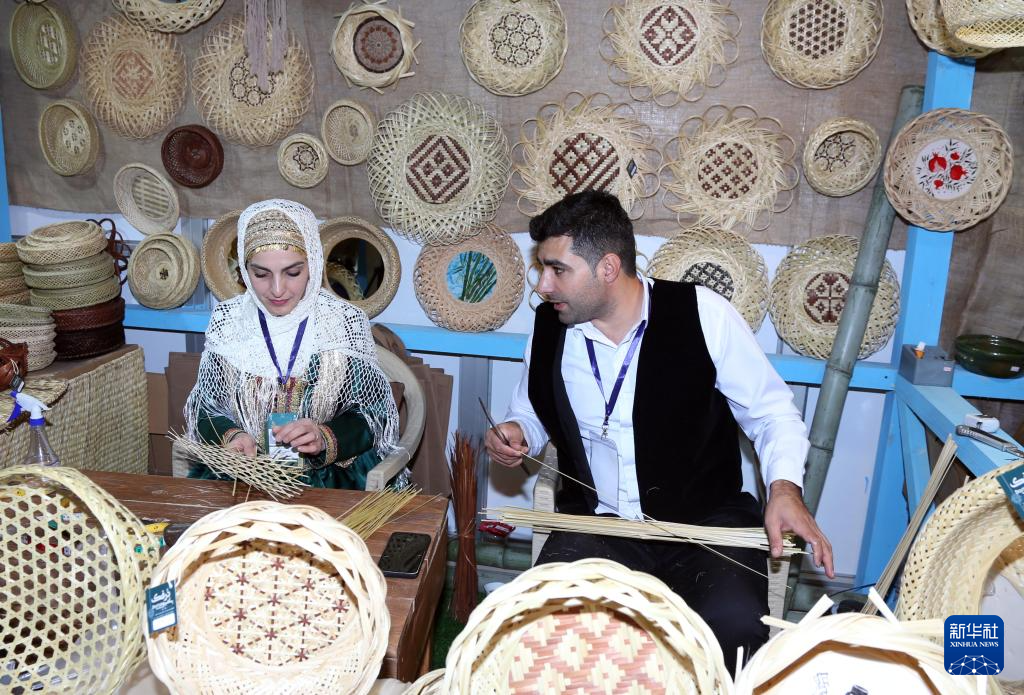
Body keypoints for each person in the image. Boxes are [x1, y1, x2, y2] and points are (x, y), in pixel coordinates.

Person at [485, 190, 834, 670]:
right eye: (542, 268)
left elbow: (772, 413)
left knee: (733, 626)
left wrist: (785, 489)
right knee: (549, 624)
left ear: (608, 267)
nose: (543, 285)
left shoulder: (703, 314)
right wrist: (516, 431)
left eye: (557, 269)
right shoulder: (549, 327)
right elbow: (532, 411)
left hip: (705, 526)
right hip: (599, 527)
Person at [184, 199, 399, 489]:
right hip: (245, 477)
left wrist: (325, 436)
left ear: (313, 264)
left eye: (293, 272)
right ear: (245, 271)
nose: (277, 289)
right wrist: (232, 436)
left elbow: (374, 414)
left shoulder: (340, 323)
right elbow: (205, 407)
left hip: (328, 479)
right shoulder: (230, 323)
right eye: (261, 274)